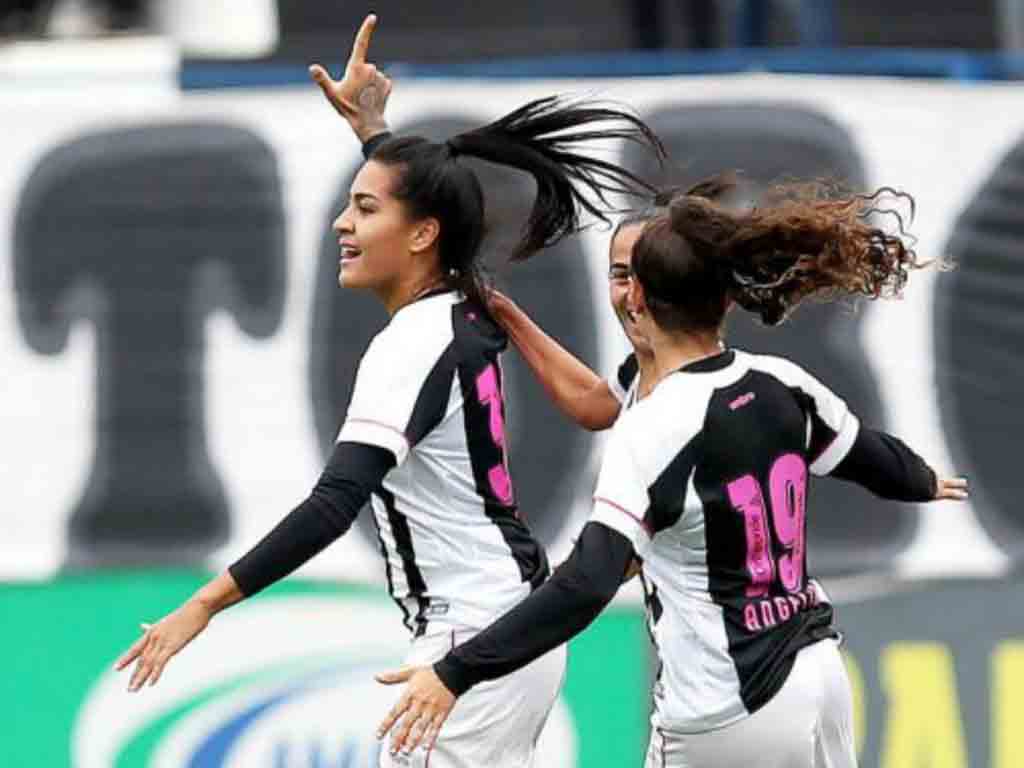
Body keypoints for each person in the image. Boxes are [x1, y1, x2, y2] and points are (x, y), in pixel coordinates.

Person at [114, 15, 665, 768]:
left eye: (364, 209)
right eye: (351, 204)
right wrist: (374, 134)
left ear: (422, 236)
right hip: (504, 627)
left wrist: (203, 606)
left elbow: (334, 503)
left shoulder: (412, 342)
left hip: (473, 637)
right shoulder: (459, 307)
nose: (343, 223)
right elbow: (427, 205)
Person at [374, 178, 969, 767]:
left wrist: (455, 671)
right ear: (727, 297)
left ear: (641, 299)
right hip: (816, 674)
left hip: (724, 703)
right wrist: (920, 479)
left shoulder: (653, 429)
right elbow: (867, 455)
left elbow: (587, 583)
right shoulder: (783, 381)